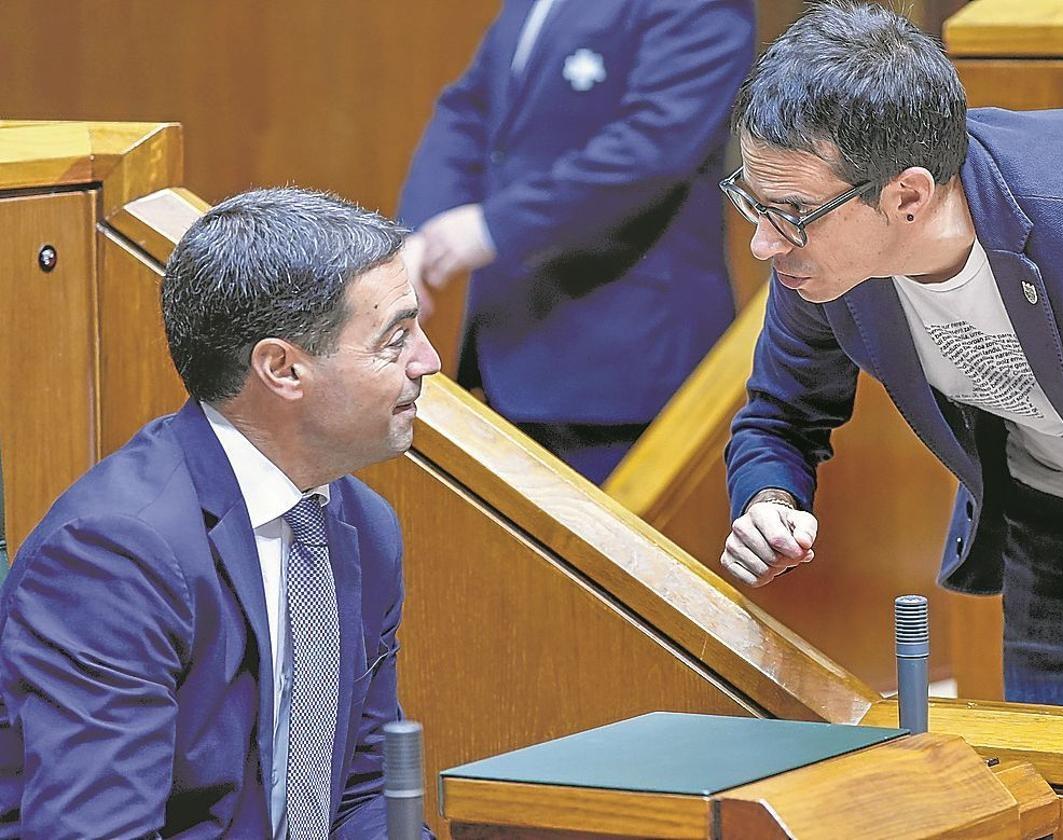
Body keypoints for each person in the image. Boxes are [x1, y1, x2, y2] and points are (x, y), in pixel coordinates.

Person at [719, 1, 1063, 706]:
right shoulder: (823, 269)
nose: (764, 242)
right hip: (1060, 540)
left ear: (908, 194)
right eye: (752, 203)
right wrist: (768, 498)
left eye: (788, 214)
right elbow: (780, 416)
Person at [0, 188, 440, 837]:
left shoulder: (359, 526)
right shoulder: (117, 552)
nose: (428, 360)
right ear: (282, 369)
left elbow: (359, 793)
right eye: (395, 339)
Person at [398, 0, 755, 483]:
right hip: (515, 342)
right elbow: (470, 106)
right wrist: (421, 232)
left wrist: (496, 226)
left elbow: (652, 147)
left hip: (621, 362)